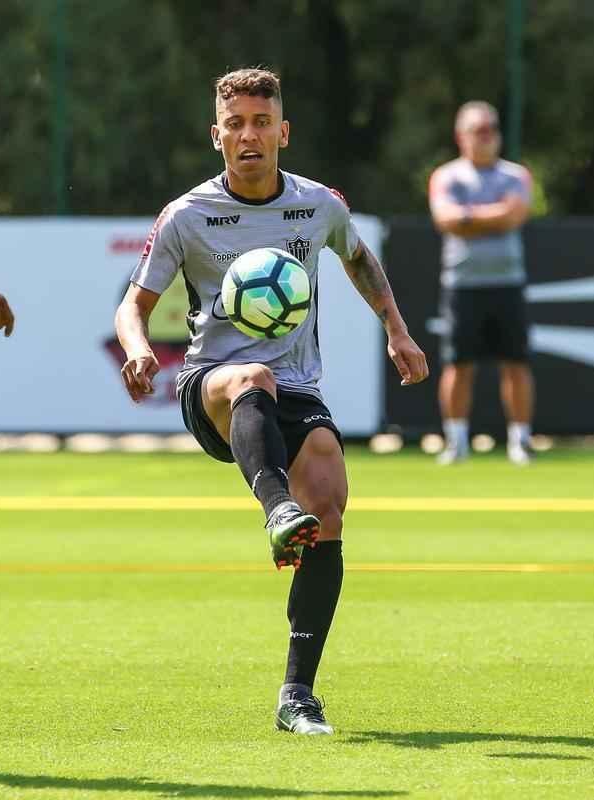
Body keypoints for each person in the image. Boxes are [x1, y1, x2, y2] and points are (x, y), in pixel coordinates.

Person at [115, 68, 428, 735]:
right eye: (236, 124)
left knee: (333, 504)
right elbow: (132, 306)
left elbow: (359, 261)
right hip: (214, 388)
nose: (248, 135)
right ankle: (276, 506)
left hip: (296, 388)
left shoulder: (318, 205)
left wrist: (396, 329)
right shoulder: (187, 215)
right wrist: (139, 347)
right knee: (252, 374)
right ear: (216, 136)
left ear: (282, 132)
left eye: (261, 123)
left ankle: (297, 697)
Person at [428, 100, 534, 465]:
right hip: (462, 286)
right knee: (459, 365)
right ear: (461, 136)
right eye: (478, 130)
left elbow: (515, 215)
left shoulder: (516, 175)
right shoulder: (447, 176)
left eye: (491, 129)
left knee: (516, 363)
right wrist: (495, 214)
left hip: (508, 284)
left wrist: (469, 216)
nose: (486, 137)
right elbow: (446, 219)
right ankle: (456, 441)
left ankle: (521, 441)